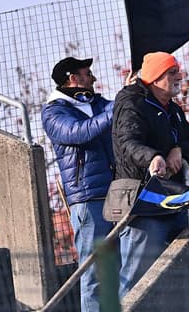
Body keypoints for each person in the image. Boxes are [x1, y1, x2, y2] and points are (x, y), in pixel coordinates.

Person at [112, 51, 189, 296]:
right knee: (135, 279)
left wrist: (178, 149)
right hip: (142, 204)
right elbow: (127, 144)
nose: (179, 76)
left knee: (178, 276)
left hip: (173, 201)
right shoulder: (131, 103)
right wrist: (154, 157)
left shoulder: (173, 110)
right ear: (155, 78)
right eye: (172, 72)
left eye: (178, 71)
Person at [41, 57, 117, 312]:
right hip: (87, 199)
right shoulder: (53, 112)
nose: (93, 78)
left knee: (123, 263)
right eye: (88, 73)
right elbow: (79, 132)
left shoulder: (97, 104)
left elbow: (122, 107)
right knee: (94, 272)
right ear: (73, 78)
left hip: (118, 192)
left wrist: (130, 94)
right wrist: (114, 111)